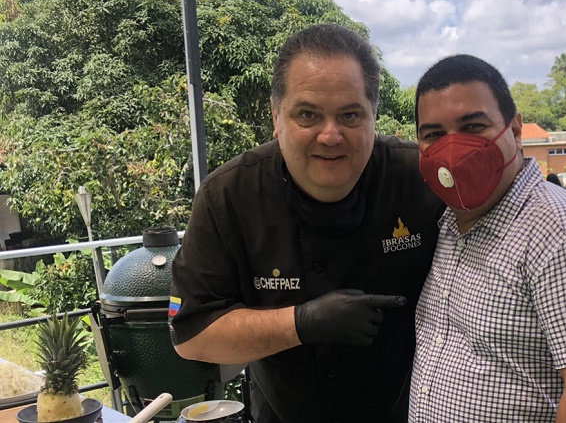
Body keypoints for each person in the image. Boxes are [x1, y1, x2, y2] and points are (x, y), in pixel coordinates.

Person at [168, 24, 443, 423]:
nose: (330, 136)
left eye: (350, 115)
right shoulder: (228, 195)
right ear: (276, 117)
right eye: (307, 115)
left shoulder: (420, 177)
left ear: (373, 117)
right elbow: (191, 335)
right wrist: (303, 322)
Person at [409, 54, 566, 422]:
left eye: (473, 127)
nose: (452, 152)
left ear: (514, 131)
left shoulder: (565, 231)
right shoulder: (447, 223)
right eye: (434, 135)